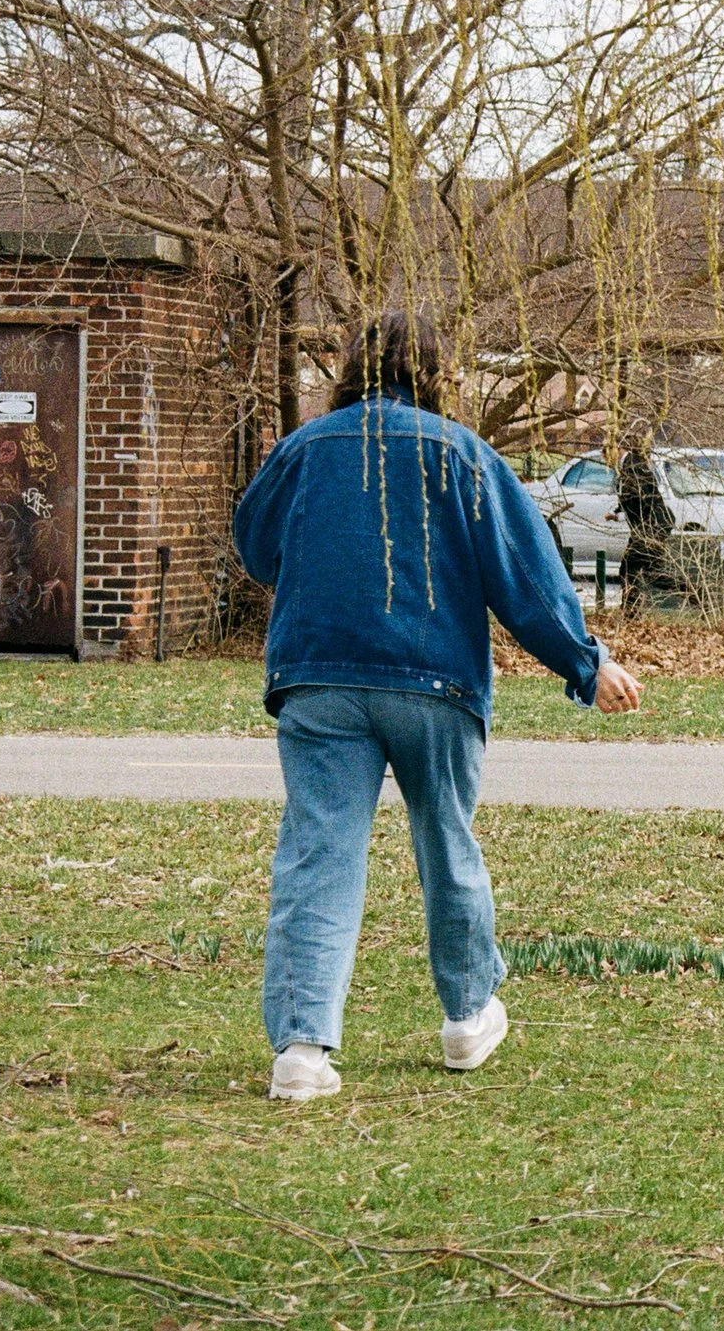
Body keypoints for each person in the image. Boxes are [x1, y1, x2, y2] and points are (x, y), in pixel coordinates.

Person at [233, 314, 643, 1102]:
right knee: (446, 842)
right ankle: (464, 1017)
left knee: (320, 854)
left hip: (320, 680)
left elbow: (255, 544)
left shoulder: (306, 448)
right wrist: (586, 666)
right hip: (434, 683)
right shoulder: (459, 452)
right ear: (434, 372)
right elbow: (523, 576)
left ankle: (301, 1049)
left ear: (354, 369)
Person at [616, 433, 676, 616]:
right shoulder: (632, 465)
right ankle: (698, 594)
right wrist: (617, 512)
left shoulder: (633, 467)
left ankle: (630, 613)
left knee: (629, 569)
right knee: (652, 574)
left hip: (652, 526)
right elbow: (635, 496)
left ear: (618, 449)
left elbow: (638, 499)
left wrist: (620, 515)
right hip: (651, 525)